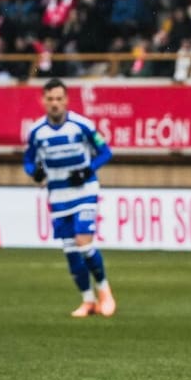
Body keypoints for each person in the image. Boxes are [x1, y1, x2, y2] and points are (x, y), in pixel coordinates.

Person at [24, 79, 117, 317]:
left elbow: (105, 152)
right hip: (57, 195)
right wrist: (35, 172)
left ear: (66, 100)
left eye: (59, 99)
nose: (55, 104)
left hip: (85, 191)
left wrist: (88, 169)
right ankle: (88, 300)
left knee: (83, 241)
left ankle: (104, 291)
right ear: (44, 101)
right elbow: (28, 161)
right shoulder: (36, 132)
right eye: (50, 99)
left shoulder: (81, 125)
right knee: (70, 250)